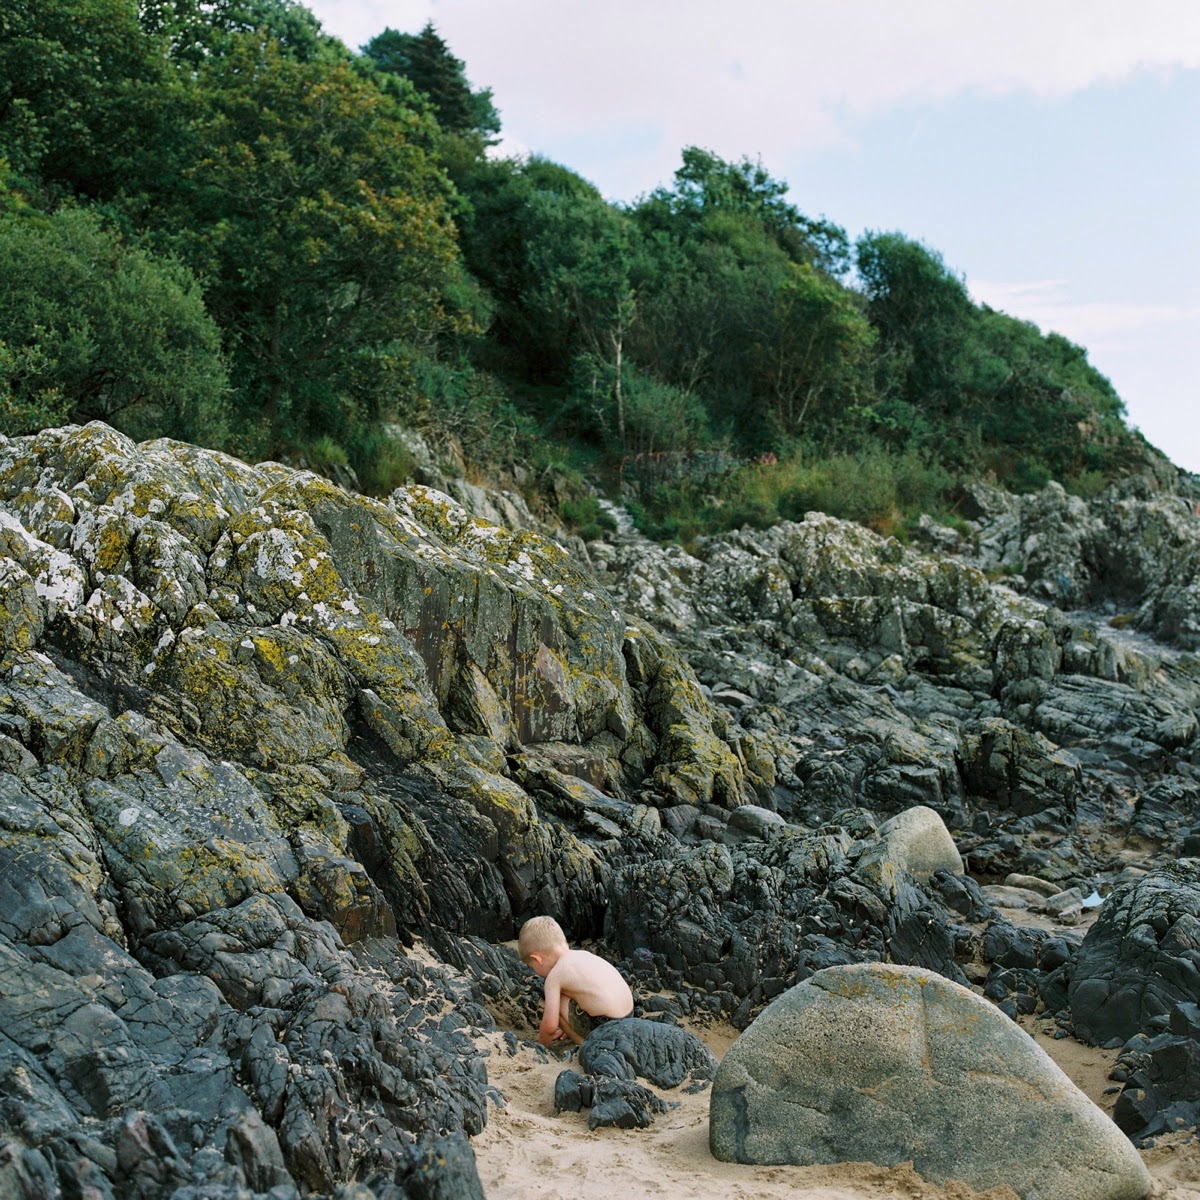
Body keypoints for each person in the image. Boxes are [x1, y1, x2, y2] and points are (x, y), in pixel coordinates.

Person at [517, 915, 634, 1046]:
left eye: (533, 967)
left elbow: (550, 1027)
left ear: (538, 959)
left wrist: (540, 1046)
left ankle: (585, 1044)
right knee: (573, 993)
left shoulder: (555, 976)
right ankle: (578, 1030)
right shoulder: (584, 955)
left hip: (606, 1025)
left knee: (557, 1005)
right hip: (629, 1018)